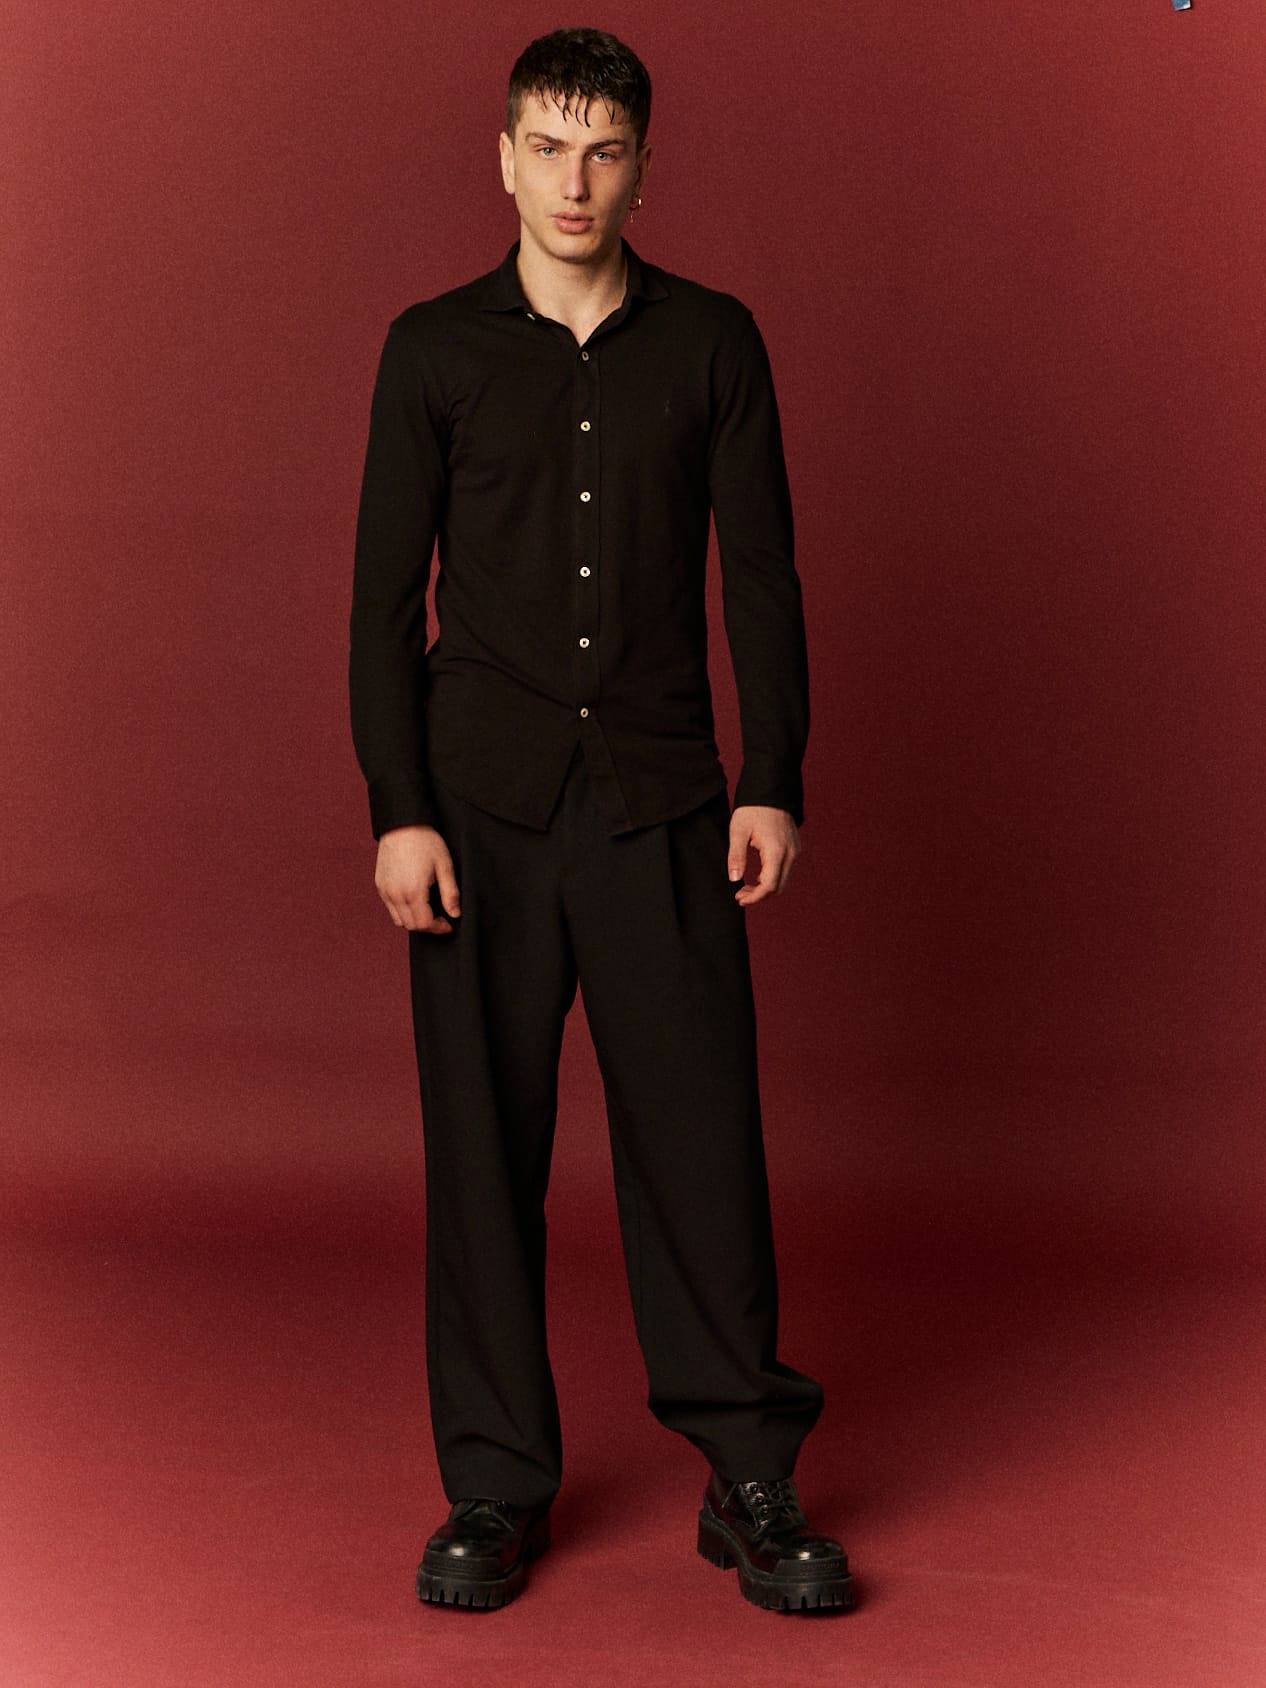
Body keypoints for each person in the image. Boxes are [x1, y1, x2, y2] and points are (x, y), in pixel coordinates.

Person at [349, 26, 854, 1614]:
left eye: (605, 151)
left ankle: (746, 1477)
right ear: (503, 159)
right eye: (549, 148)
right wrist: (399, 810)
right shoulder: (431, 350)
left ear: (641, 167)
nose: (575, 182)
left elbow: (759, 577)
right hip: (479, 813)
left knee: (699, 1145)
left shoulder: (712, 342)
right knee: (481, 1153)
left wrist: (770, 774)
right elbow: (381, 607)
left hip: (659, 802)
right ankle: (494, 1485)